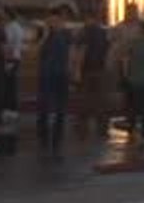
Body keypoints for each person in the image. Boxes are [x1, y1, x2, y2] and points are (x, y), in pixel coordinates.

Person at [36, 8, 74, 157]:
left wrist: (72, 70)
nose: (54, 23)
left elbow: (71, 52)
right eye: (51, 21)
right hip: (46, 74)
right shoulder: (45, 35)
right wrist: (45, 35)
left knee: (60, 108)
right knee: (44, 106)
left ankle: (57, 139)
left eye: (57, 21)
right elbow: (37, 50)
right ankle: (43, 136)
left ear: (62, 21)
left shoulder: (67, 34)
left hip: (61, 74)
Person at [78, 11, 111, 139]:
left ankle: (83, 127)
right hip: (100, 69)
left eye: (86, 19)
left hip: (87, 69)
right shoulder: (103, 33)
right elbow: (108, 50)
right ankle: (102, 128)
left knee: (85, 99)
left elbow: (80, 50)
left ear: (89, 19)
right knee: (100, 100)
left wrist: (76, 69)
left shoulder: (84, 32)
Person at [2, 9, 25, 117]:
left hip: (11, 58)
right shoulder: (18, 27)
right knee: (11, 84)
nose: (3, 17)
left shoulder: (11, 27)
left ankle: (11, 108)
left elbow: (9, 44)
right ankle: (11, 108)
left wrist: (8, 61)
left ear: (8, 16)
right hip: (16, 57)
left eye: (4, 15)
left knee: (9, 84)